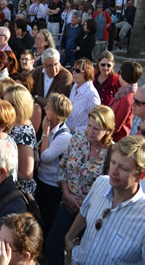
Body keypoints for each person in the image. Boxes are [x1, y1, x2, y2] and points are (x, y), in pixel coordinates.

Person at [46, 105, 115, 264]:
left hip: (90, 214)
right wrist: (66, 194)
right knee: (53, 244)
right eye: (89, 125)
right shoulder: (77, 138)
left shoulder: (112, 152)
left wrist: (85, 204)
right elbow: (63, 166)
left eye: (96, 129)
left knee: (82, 253)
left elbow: (110, 188)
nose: (90, 131)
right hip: (67, 204)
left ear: (108, 130)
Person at [65, 136, 145, 264]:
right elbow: (84, 212)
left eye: (123, 168)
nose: (114, 171)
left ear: (140, 175)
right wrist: (69, 237)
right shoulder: (101, 183)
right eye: (113, 163)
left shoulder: (142, 218)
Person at [35, 93, 73, 237]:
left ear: (56, 113)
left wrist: (44, 133)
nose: (45, 108)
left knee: (47, 220)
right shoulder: (52, 128)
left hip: (52, 185)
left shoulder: (64, 136)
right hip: (43, 179)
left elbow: (45, 157)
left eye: (49, 107)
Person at [4, 84, 38, 195]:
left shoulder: (24, 132)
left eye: (8, 105)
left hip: (17, 192)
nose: (5, 108)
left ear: (19, 106)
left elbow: (26, 173)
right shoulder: (14, 124)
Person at [111, 60, 143, 142]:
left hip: (116, 140)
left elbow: (117, 126)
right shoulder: (125, 91)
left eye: (119, 72)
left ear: (123, 75)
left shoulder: (127, 97)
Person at [66, 59, 101, 132]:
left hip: (81, 137)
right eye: (73, 69)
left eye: (77, 71)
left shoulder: (92, 94)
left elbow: (97, 123)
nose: (73, 72)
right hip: (67, 131)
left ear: (87, 73)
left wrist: (74, 129)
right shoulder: (75, 85)